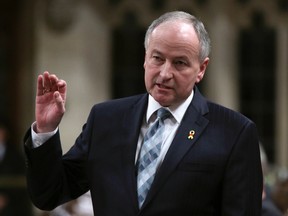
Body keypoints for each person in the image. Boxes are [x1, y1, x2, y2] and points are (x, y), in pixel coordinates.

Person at [24, 11, 263, 215]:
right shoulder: (106, 119)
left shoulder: (234, 132)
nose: (164, 73)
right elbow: (49, 194)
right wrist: (45, 130)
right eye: (157, 58)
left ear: (201, 69)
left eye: (179, 63)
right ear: (145, 58)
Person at [0, 120, 33, 216]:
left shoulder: (16, 157)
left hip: (11, 205)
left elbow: (21, 182)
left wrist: (4, 198)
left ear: (5, 133)